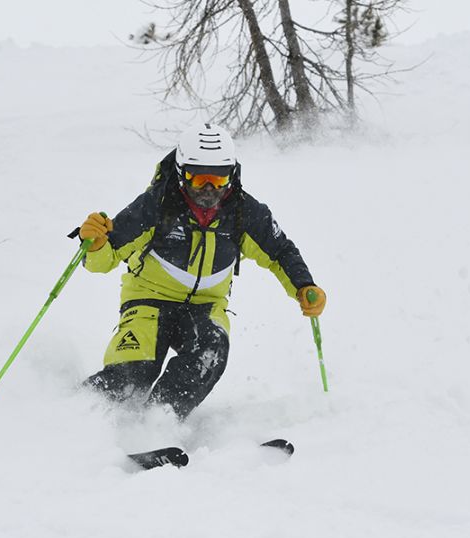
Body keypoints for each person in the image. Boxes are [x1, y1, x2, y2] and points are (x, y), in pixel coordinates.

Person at [77, 123, 325, 420]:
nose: (209, 189)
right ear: (182, 173)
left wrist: (303, 285)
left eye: (218, 179)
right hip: (148, 303)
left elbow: (280, 252)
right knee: (133, 372)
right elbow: (105, 260)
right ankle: (78, 413)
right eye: (199, 178)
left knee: (211, 352)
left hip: (205, 307)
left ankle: (159, 420)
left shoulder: (244, 212)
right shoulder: (156, 205)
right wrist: (94, 245)